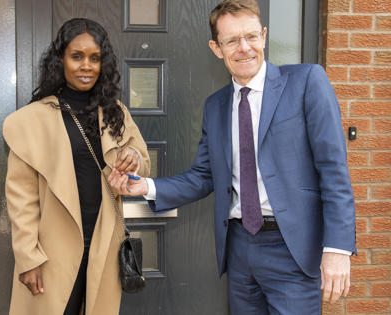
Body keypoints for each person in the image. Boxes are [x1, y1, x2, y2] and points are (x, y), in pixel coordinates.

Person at [109, 0, 356, 313]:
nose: (244, 48)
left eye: (251, 36)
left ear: (263, 36)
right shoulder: (216, 106)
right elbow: (203, 176)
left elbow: (333, 170)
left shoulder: (307, 82)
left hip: (293, 248)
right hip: (239, 250)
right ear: (216, 47)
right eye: (232, 40)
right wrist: (145, 187)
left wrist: (337, 248)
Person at [3, 18, 150, 315]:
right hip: (51, 251)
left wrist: (133, 154)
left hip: (103, 246)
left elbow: (143, 164)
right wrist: (28, 258)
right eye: (77, 56)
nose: (86, 66)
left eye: (95, 58)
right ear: (60, 60)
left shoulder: (115, 112)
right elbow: (21, 200)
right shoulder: (32, 120)